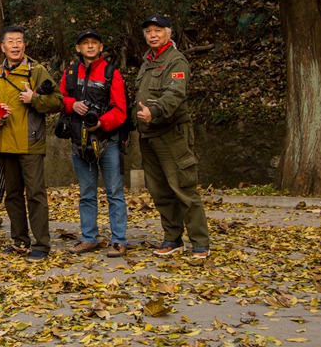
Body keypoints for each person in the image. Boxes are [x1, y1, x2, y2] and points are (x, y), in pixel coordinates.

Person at [133, 14, 211, 259]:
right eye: (148, 31)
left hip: (172, 134)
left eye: (158, 30)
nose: (152, 35)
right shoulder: (148, 62)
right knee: (159, 191)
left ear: (169, 33)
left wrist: (154, 111)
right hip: (148, 134)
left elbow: (174, 96)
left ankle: (200, 242)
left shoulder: (176, 61)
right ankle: (173, 238)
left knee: (184, 188)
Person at [0, 25, 62, 261]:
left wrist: (35, 99)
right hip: (4, 143)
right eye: (10, 42)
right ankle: (19, 240)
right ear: (3, 47)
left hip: (30, 141)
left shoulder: (36, 70)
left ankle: (42, 244)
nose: (15, 46)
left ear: (25, 45)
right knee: (12, 195)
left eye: (19, 41)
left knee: (35, 194)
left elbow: (57, 102)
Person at [58, 29, 129, 258]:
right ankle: (89, 238)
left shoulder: (111, 72)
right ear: (78, 48)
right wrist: (72, 105)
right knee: (86, 193)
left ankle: (118, 240)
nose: (89, 46)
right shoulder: (70, 73)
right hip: (80, 141)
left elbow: (121, 110)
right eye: (85, 43)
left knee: (114, 192)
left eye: (94, 43)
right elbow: (58, 99)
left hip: (108, 140)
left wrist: (101, 122)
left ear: (100, 47)